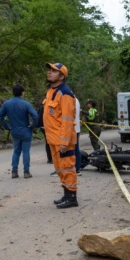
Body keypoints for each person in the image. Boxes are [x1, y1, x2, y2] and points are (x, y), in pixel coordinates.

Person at [42, 62, 78, 209]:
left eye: (54, 71)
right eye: (49, 70)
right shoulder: (51, 91)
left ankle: (72, 198)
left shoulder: (65, 94)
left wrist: (64, 142)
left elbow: (68, 120)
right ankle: (66, 194)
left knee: (67, 168)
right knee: (60, 168)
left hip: (63, 140)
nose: (49, 72)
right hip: (53, 139)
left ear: (62, 76)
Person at [0, 84, 38, 179]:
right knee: (26, 152)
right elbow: (35, 116)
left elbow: (0, 116)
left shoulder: (7, 104)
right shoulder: (26, 104)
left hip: (14, 130)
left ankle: (14, 171)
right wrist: (33, 125)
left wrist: (7, 126)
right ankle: (26, 172)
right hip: (26, 130)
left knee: (16, 151)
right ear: (22, 93)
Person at [74, 96, 82, 176]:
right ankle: (78, 169)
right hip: (76, 129)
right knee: (76, 149)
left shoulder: (68, 99)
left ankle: (73, 169)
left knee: (68, 150)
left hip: (70, 129)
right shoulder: (76, 100)